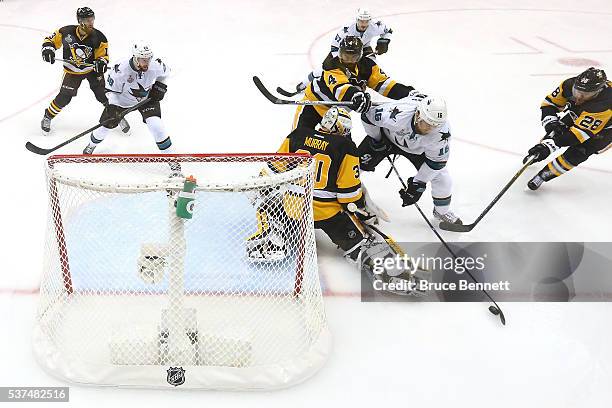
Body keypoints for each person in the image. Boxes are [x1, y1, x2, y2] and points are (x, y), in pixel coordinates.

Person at [247, 107, 424, 295]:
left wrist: (260, 189)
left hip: (294, 209)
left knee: (266, 203)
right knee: (363, 243)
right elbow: (348, 195)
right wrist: (359, 209)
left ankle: (274, 234)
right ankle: (391, 274)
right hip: (328, 215)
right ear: (343, 130)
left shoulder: (297, 135)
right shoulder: (346, 148)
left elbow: (274, 169)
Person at [357, 95, 462, 225]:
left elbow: (436, 162)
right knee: (352, 167)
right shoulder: (396, 113)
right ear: (418, 114)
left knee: (443, 179)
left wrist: (418, 183)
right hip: (387, 139)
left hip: (417, 150)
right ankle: (344, 196)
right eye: (427, 123)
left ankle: (442, 211)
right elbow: (367, 116)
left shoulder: (442, 134)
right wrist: (376, 139)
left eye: (434, 126)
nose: (430, 129)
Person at [293, 36, 418, 130]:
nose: (349, 60)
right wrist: (356, 96)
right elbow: (341, 89)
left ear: (360, 55)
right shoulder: (332, 65)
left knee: (342, 149)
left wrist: (409, 93)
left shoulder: (367, 66)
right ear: (340, 53)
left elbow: (385, 85)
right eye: (346, 56)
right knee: (297, 139)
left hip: (338, 113)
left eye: (353, 57)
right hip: (314, 105)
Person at [82, 42, 176, 166]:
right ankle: (91, 145)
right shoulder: (120, 69)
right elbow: (111, 91)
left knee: (157, 127)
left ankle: (172, 161)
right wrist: (113, 109)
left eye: (148, 59)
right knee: (103, 128)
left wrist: (160, 86)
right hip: (121, 102)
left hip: (146, 100)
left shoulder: (155, 65)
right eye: (143, 60)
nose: (146, 63)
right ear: (136, 59)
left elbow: (166, 73)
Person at [40, 7, 129, 135]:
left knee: (104, 95)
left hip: (92, 70)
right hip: (72, 71)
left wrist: (101, 63)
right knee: (64, 98)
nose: (91, 22)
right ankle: (47, 116)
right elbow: (50, 40)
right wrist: (48, 49)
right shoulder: (66, 32)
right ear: (80, 21)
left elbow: (103, 56)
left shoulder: (99, 37)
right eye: (87, 20)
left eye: (92, 19)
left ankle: (116, 115)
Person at [525, 67, 611, 190]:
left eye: (585, 94)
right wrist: (550, 123)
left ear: (597, 92)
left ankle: (543, 175)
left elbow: (577, 136)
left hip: (607, 128)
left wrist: (552, 144)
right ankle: (538, 153)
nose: (579, 98)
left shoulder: (604, 104)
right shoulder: (568, 84)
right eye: (577, 92)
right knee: (557, 130)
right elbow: (549, 104)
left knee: (579, 151)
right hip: (586, 112)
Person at [294, 7, 393, 93]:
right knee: (325, 67)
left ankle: (363, 84)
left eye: (366, 21)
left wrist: (384, 41)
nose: (363, 24)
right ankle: (304, 84)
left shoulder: (375, 26)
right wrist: (340, 60)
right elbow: (334, 46)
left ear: (370, 20)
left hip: (364, 48)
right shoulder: (346, 29)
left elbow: (388, 31)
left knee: (371, 65)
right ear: (357, 19)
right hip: (343, 51)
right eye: (361, 21)